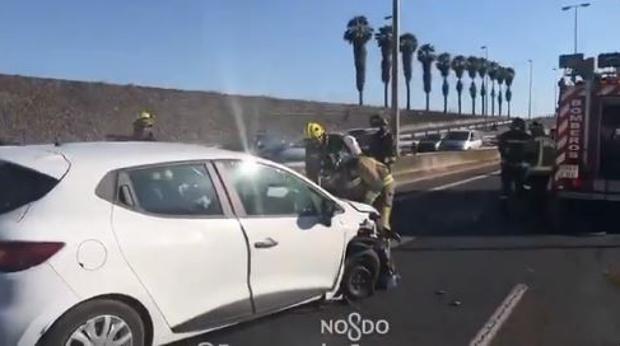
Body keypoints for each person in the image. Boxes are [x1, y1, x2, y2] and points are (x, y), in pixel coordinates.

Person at [342, 135, 401, 242]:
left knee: (383, 212)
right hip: (378, 184)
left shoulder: (362, 163)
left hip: (385, 186)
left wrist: (367, 201)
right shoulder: (359, 162)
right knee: (372, 211)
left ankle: (384, 238)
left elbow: (377, 183)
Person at [497, 118, 533, 199]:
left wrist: (505, 156)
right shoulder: (527, 137)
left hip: (508, 163)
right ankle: (525, 191)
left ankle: (505, 195)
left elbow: (501, 148)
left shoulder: (505, 135)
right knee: (525, 181)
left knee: (506, 183)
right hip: (522, 163)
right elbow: (531, 151)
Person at [304, 122, 346, 186]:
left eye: (315, 139)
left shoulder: (336, 139)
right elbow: (309, 167)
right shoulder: (310, 147)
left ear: (322, 135)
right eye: (311, 140)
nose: (314, 142)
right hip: (327, 177)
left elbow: (346, 154)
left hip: (343, 171)